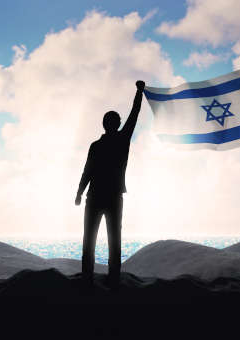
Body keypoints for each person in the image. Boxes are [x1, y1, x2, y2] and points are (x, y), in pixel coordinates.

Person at [75, 80, 145, 290]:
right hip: (104, 197)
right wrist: (79, 191)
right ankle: (104, 280)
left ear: (107, 124)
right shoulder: (106, 143)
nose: (111, 123)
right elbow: (88, 170)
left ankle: (96, 280)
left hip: (102, 197)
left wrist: (139, 93)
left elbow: (134, 113)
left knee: (96, 239)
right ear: (110, 124)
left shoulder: (108, 143)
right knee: (104, 240)